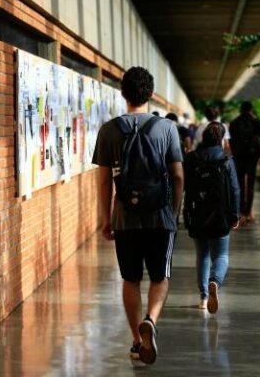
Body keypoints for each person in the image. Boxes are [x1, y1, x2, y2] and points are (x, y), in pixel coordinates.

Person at [92, 67, 184, 364]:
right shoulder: (166, 129)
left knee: (130, 279)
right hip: (160, 216)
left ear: (123, 93)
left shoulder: (108, 130)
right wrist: (175, 213)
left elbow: (105, 181)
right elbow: (178, 176)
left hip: (125, 217)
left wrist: (107, 219)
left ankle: (136, 341)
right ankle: (151, 321)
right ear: (151, 94)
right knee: (160, 277)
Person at [183, 122, 240, 313]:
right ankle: (214, 281)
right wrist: (235, 215)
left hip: (196, 213)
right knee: (221, 255)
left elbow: (183, 186)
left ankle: (203, 297)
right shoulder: (226, 160)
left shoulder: (191, 159)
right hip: (221, 215)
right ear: (221, 139)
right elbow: (234, 189)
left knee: (202, 255)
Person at [229, 101, 260, 223]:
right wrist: (255, 118)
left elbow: (231, 140)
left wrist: (234, 152)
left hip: (239, 156)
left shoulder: (234, 122)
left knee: (239, 184)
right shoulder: (254, 121)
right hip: (252, 156)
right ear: (251, 110)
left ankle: (240, 211)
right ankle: (248, 212)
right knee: (250, 184)